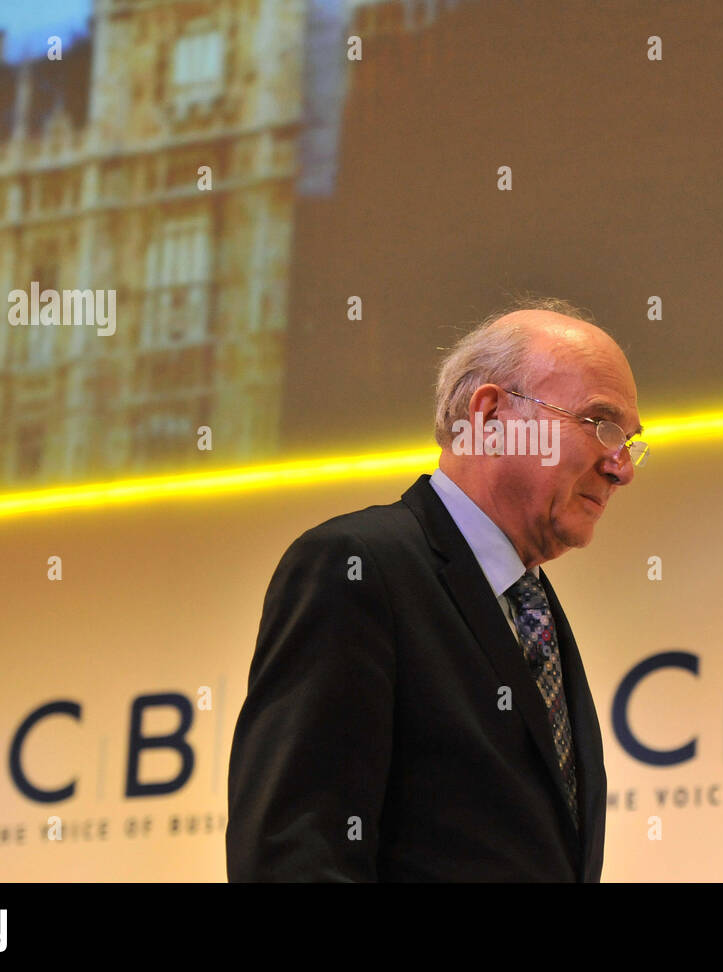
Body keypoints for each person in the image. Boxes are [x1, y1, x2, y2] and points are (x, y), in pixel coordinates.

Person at [226, 296, 644, 881]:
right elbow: (297, 851)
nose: (622, 466)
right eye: (600, 424)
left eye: (630, 440)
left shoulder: (535, 610)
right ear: (492, 416)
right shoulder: (358, 568)